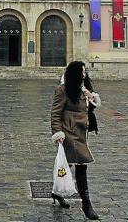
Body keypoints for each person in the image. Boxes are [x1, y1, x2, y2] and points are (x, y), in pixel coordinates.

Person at [50, 61, 101, 220]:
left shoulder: (84, 90)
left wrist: (92, 97)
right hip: (69, 134)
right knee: (81, 166)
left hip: (82, 133)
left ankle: (56, 192)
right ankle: (87, 205)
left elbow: (90, 109)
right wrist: (58, 132)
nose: (84, 74)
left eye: (85, 72)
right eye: (82, 72)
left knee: (67, 164)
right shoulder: (63, 90)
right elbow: (55, 113)